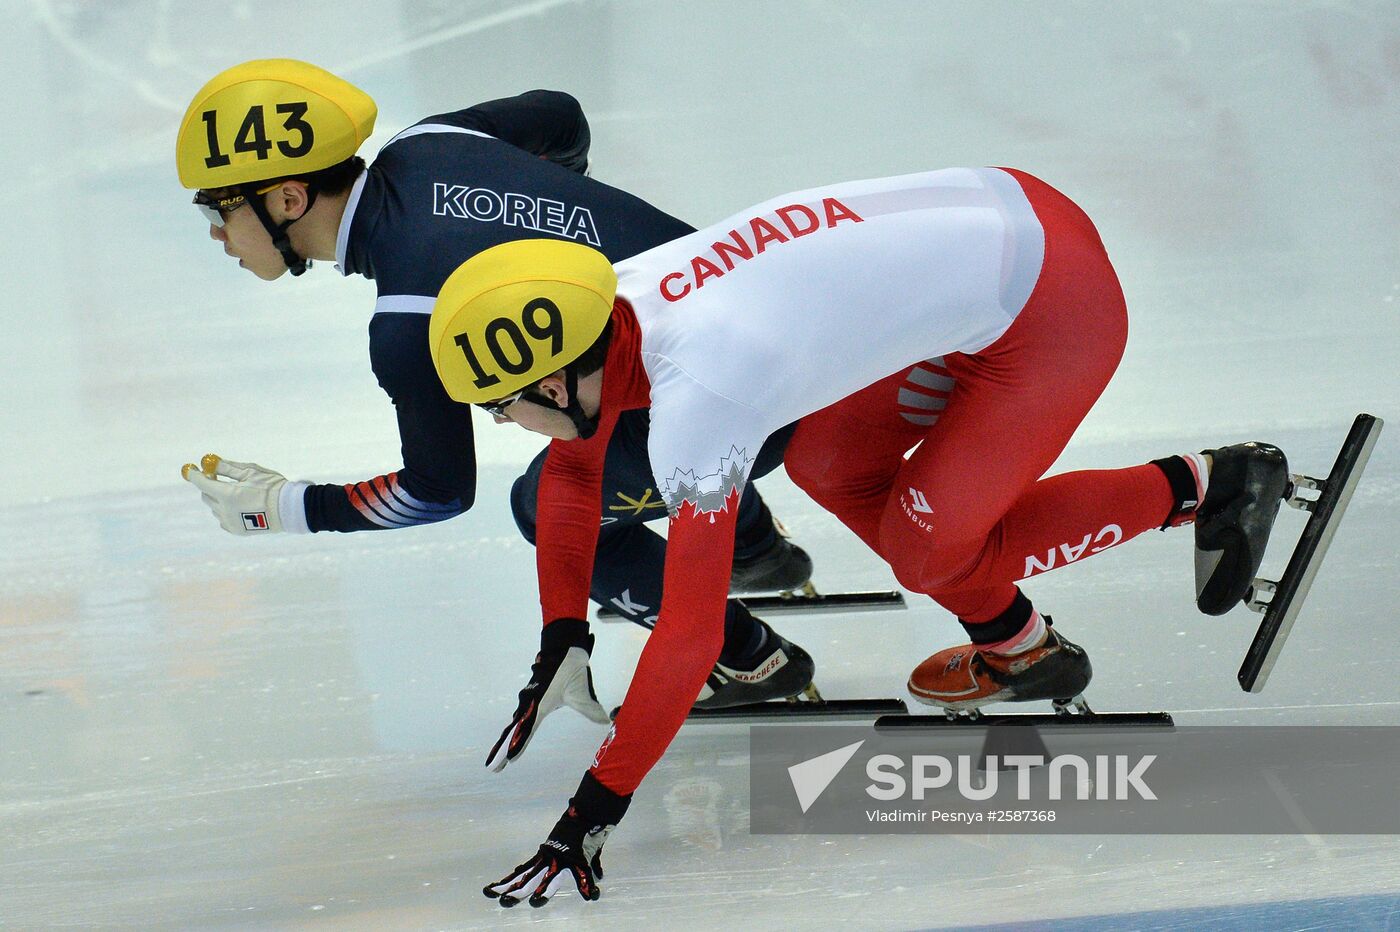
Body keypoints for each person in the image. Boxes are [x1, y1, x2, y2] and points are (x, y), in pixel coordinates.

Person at [428, 167, 1289, 907]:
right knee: (829, 463)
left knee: (928, 552)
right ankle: (1019, 645)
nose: (504, 421)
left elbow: (690, 635)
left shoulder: (702, 397)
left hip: (1049, 304)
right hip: (1000, 217)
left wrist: (592, 810)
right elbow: (577, 470)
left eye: (501, 403)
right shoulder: (614, 303)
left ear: (554, 375)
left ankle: (1209, 484)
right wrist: (562, 635)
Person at [172, 59, 820, 748]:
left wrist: (289, 508)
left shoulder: (409, 317)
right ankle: (756, 547)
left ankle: (750, 658)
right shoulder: (432, 139)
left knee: (544, 508)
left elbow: (438, 492)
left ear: (289, 200)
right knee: (608, 411)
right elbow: (560, 114)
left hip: (729, 419)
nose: (216, 233)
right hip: (770, 330)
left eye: (219, 208)